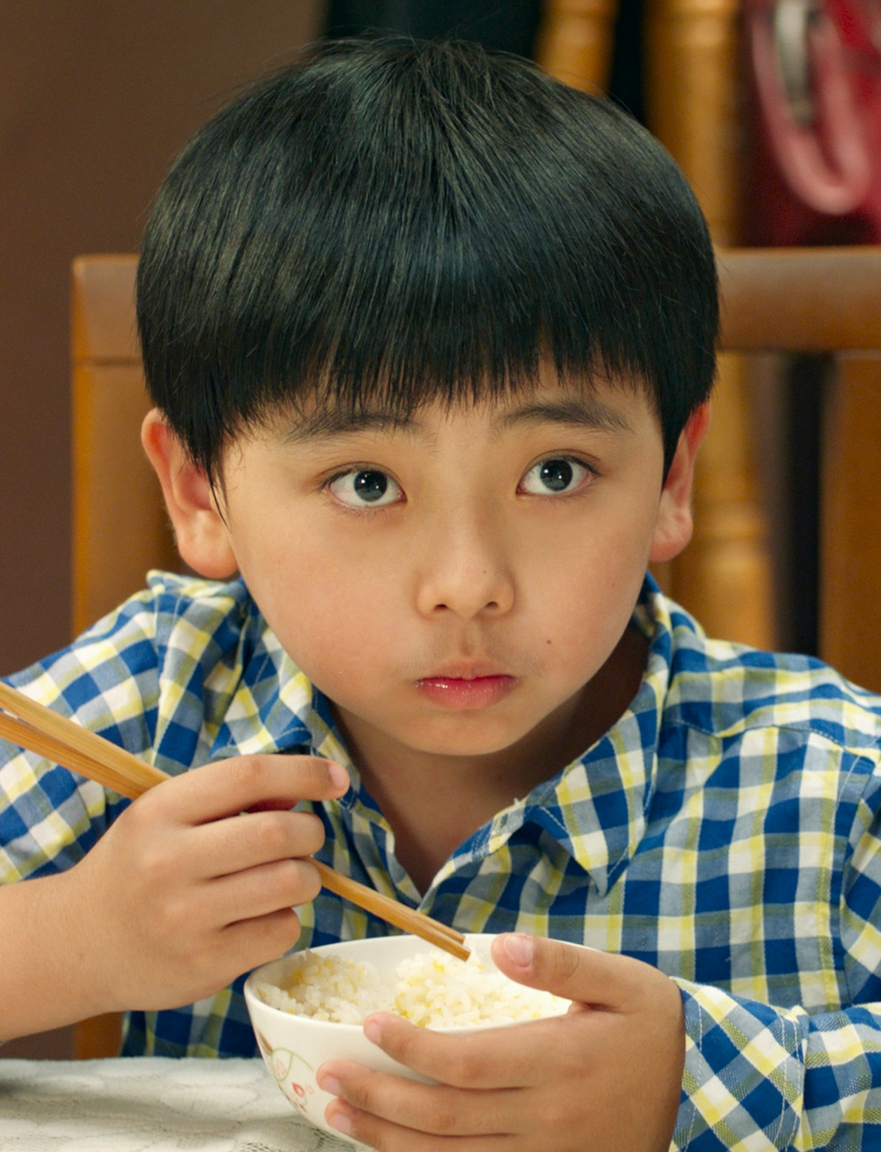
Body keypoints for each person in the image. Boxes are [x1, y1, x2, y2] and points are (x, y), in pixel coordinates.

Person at [1, 38, 879, 1151]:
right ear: (197, 493)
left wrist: (693, 1084)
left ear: (670, 479)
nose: (467, 585)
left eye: (553, 473)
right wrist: (73, 940)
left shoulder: (826, 784)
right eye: (366, 483)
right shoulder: (161, 693)